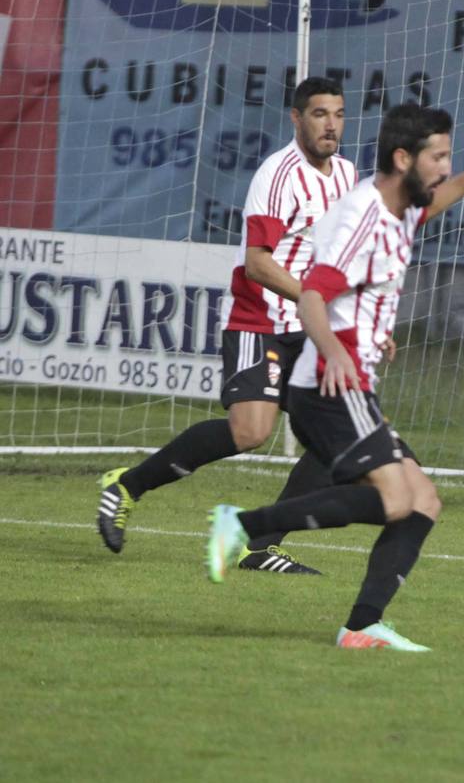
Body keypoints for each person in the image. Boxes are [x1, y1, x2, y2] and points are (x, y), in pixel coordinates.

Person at [203, 102, 464, 651]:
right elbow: (312, 295)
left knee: (422, 502)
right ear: (404, 158)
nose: (446, 168)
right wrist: (337, 351)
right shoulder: (364, 214)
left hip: (349, 387)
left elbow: (431, 207)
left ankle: (360, 626)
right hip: (328, 387)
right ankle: (244, 527)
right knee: (402, 500)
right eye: (438, 156)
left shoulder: (399, 206)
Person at [95, 76, 355, 574]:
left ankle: (259, 545)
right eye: (320, 114)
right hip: (261, 318)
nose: (331, 125)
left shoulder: (345, 173)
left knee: (339, 434)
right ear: (296, 118)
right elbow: (257, 263)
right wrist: (315, 301)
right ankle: (127, 485)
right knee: (249, 432)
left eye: (339, 114)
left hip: (309, 323)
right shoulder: (278, 175)